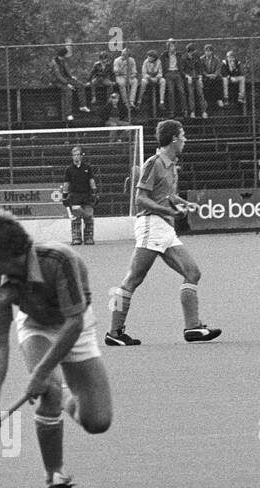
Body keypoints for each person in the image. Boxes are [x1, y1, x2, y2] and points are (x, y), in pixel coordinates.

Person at [0, 209, 112, 488]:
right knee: (47, 386)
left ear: (10, 253)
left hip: (75, 323)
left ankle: (61, 395)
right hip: (35, 325)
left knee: (98, 421)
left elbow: (74, 323)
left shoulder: (59, 260)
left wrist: (39, 374)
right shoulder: (1, 285)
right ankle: (54, 480)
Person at [105, 120, 221, 346]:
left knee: (192, 272)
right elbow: (140, 198)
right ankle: (114, 332)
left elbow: (167, 195)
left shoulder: (171, 165)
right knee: (132, 279)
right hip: (151, 224)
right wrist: (167, 210)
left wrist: (184, 203)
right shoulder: (153, 163)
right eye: (183, 135)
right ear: (174, 139)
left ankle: (193, 328)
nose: (185, 140)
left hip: (164, 227)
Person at [62, 146, 99, 245]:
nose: (76, 157)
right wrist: (64, 196)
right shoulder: (69, 170)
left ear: (81, 156)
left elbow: (91, 180)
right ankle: (76, 238)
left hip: (87, 195)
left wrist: (95, 192)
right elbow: (66, 183)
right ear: (72, 157)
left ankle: (88, 237)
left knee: (88, 217)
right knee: (75, 218)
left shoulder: (87, 168)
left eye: (78, 154)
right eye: (74, 155)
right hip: (75, 196)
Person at [51, 46, 91, 121]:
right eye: (66, 54)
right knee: (68, 92)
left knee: (80, 85)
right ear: (63, 55)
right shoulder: (54, 63)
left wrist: (71, 77)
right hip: (57, 81)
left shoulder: (63, 61)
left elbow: (66, 70)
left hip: (65, 79)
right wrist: (67, 84)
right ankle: (68, 114)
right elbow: (58, 76)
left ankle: (82, 106)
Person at [162, 40, 187, 119]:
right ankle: (172, 111)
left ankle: (184, 110)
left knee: (181, 90)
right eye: (171, 46)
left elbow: (182, 64)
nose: (173, 48)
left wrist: (183, 74)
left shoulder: (179, 54)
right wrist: (164, 74)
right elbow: (162, 65)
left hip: (177, 73)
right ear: (168, 47)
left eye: (174, 46)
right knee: (171, 92)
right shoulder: (164, 55)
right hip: (169, 73)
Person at [183, 43, 206, 119]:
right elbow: (182, 71)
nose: (194, 52)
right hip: (189, 78)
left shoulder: (196, 57)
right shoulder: (183, 58)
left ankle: (203, 112)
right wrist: (187, 76)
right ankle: (192, 112)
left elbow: (200, 68)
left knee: (201, 94)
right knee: (191, 95)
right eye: (193, 51)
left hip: (197, 78)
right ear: (189, 51)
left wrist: (200, 78)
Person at [113, 48, 138, 115]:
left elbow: (134, 71)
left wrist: (133, 75)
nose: (123, 56)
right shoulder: (117, 60)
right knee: (121, 84)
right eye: (122, 54)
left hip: (129, 76)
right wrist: (124, 64)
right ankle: (126, 102)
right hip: (120, 76)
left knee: (135, 81)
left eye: (124, 55)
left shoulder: (132, 60)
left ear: (128, 56)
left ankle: (131, 101)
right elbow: (116, 72)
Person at [200, 45, 223, 113]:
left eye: (210, 51)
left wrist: (215, 74)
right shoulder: (201, 59)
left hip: (214, 76)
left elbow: (218, 68)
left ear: (212, 52)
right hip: (206, 76)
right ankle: (206, 100)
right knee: (205, 83)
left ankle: (219, 99)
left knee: (219, 80)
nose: (208, 52)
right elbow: (201, 69)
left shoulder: (216, 59)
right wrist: (207, 75)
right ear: (204, 52)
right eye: (206, 51)